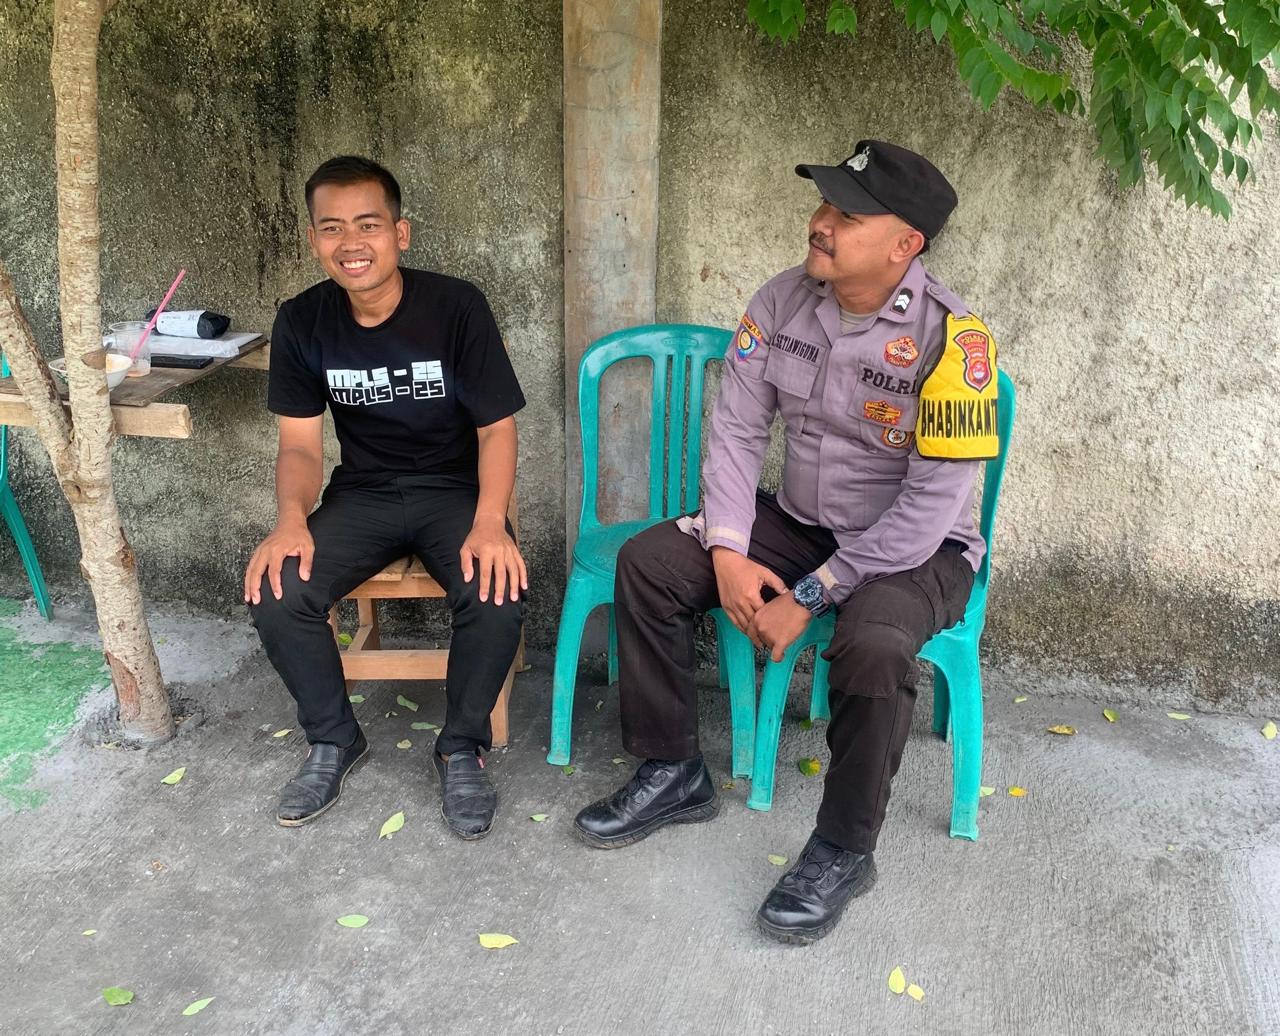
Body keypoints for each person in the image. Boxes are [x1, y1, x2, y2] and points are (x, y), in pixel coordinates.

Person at [573, 141, 999, 944]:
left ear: (905, 243)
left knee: (874, 646)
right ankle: (673, 769)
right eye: (824, 203)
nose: (821, 222)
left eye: (848, 214)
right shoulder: (779, 302)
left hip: (916, 549)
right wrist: (728, 552)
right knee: (651, 566)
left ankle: (843, 849)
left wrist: (811, 595)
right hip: (799, 519)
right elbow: (736, 433)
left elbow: (926, 510)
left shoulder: (957, 345)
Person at [245, 155, 526, 840]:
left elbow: (497, 428)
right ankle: (334, 739)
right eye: (332, 227)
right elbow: (301, 447)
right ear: (314, 239)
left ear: (400, 233)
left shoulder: (456, 307)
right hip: (364, 493)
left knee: (496, 591)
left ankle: (461, 748)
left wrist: (491, 522)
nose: (351, 243)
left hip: (453, 490)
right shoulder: (303, 320)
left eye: (368, 225)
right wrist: (289, 521)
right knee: (277, 587)